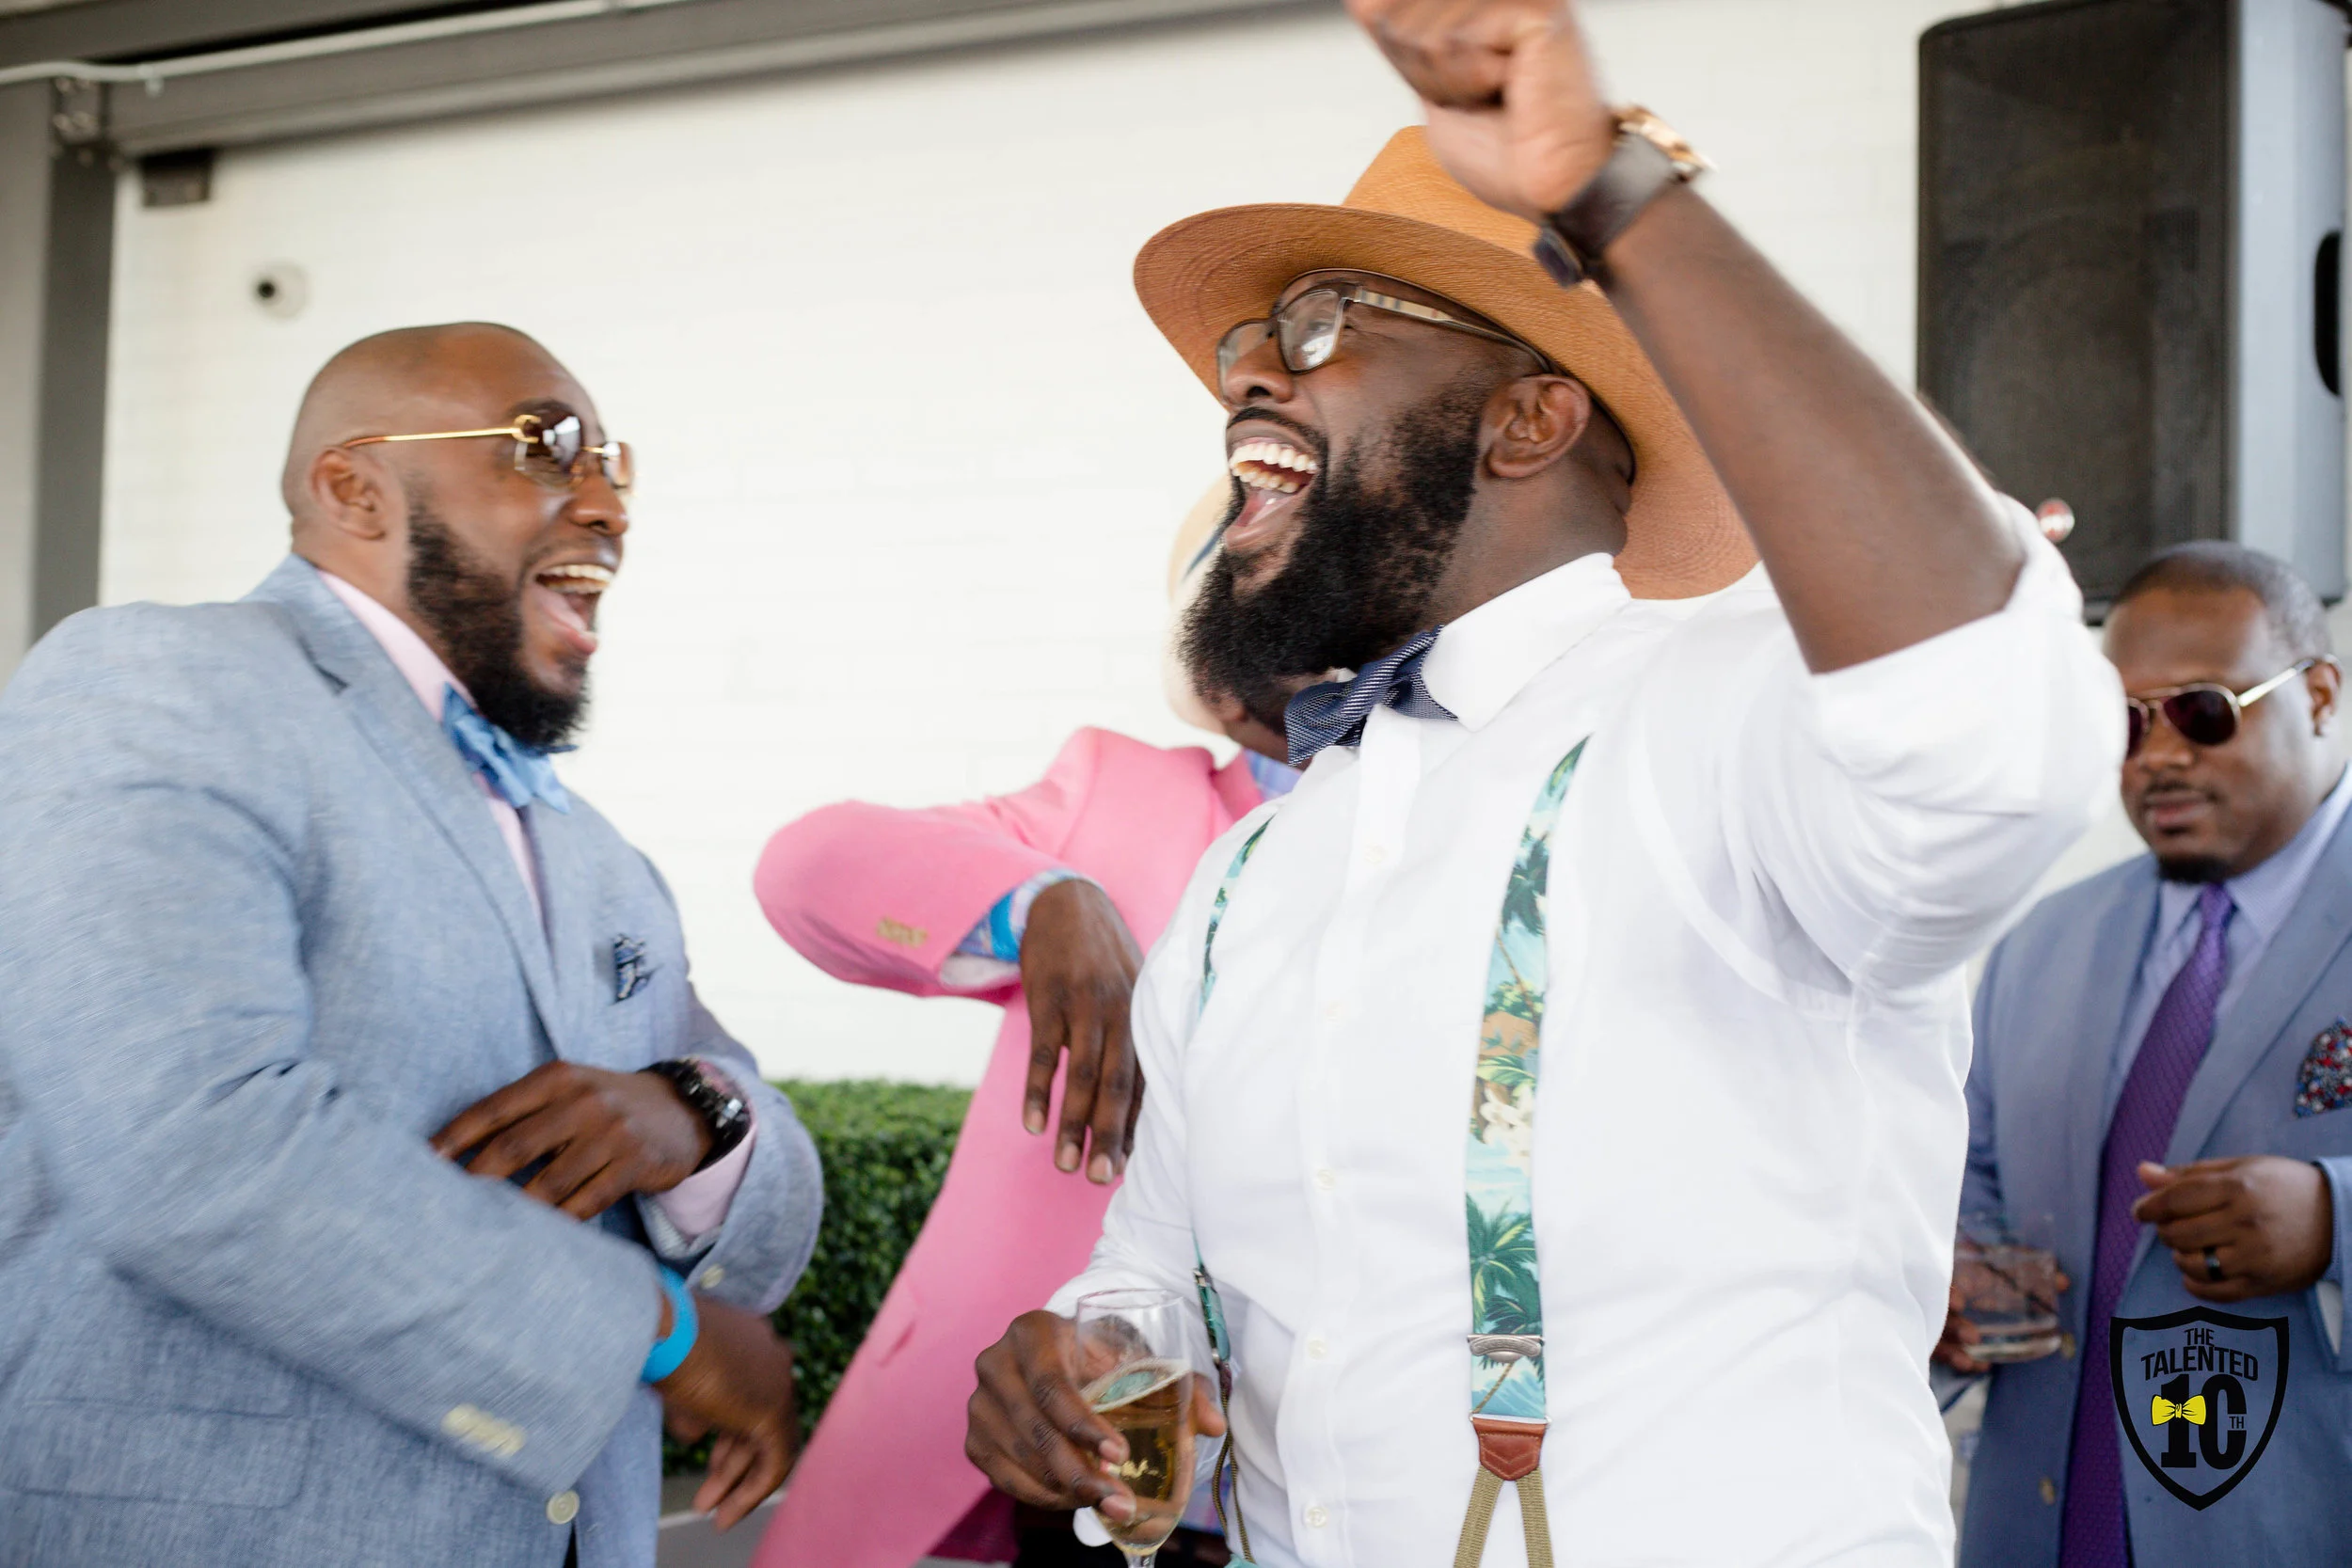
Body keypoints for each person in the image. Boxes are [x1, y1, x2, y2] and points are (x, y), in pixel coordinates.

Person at [961, 2, 2124, 1563]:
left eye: (1320, 328)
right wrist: (1089, 1348)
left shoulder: (1725, 717)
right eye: (1244, 350)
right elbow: (1161, 1264)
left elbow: (1980, 725)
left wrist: (1614, 192)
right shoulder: (1255, 876)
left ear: (1529, 417)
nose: (1249, 383)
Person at [0, 324, 819, 1568]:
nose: (607, 504)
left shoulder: (599, 852)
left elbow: (764, 1169)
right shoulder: (156, 681)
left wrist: (693, 1114)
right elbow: (191, 1142)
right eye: (547, 445)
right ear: (355, 488)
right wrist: (650, 1327)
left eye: (613, 465)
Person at [749, 485, 1297, 1568]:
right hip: (1098, 1471)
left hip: (1357, 1487)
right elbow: (804, 866)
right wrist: (1047, 901)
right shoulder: (1123, 797)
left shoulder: (1486, 834)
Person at [1946, 542, 2352, 1566]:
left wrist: (2333, 1216)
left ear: (2317, 694)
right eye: (2123, 722)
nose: (2157, 756)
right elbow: (1968, 1182)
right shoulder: (2038, 941)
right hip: (2034, 1523)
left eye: (2202, 711)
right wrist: (1947, 1279)